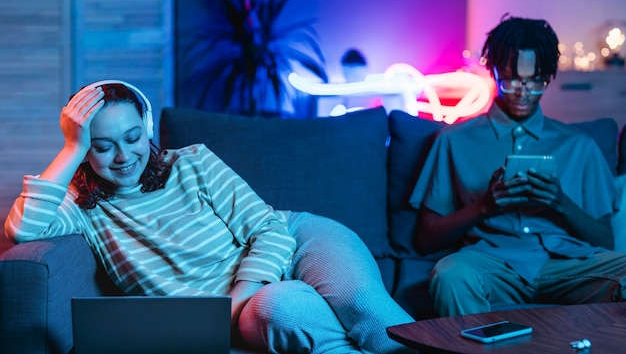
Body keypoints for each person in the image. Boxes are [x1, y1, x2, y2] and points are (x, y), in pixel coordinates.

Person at [4, 80, 414, 354]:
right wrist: (71, 147)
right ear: (85, 150)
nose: (124, 156)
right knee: (288, 311)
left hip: (296, 240)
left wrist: (229, 305)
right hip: (249, 305)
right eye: (102, 146)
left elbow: (269, 227)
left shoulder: (192, 162)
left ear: (146, 129)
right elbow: (22, 229)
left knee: (367, 309)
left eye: (132, 138)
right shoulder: (82, 206)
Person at [410, 15, 626, 317]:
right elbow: (425, 239)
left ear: (547, 77)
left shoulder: (579, 146)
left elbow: (605, 240)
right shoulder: (453, 142)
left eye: (535, 80)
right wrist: (484, 206)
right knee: (451, 275)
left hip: (566, 266)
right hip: (491, 264)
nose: (524, 90)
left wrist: (559, 203)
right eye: (512, 78)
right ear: (494, 71)